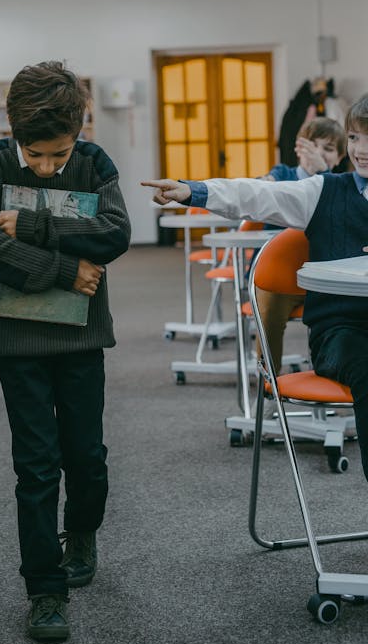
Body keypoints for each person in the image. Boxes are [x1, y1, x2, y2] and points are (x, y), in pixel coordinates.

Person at [0, 61, 131, 642]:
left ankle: (81, 532)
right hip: (19, 340)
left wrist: (34, 226)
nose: (44, 166)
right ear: (15, 134)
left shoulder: (94, 162)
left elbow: (114, 233)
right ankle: (44, 590)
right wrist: (67, 268)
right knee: (35, 466)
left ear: (78, 134)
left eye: (55, 156)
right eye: (33, 155)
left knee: (86, 457)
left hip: (82, 338)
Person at [142, 92, 368, 479]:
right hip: (341, 332)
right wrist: (193, 191)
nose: (360, 150)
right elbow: (256, 194)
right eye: (354, 138)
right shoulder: (323, 190)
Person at [255, 116, 347, 373]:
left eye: (328, 149)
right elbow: (264, 189)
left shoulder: (340, 185)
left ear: (340, 158)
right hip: (281, 280)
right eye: (313, 145)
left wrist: (323, 173)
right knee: (269, 309)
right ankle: (269, 379)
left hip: (325, 281)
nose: (318, 153)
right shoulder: (282, 174)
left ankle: (337, 374)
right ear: (299, 147)